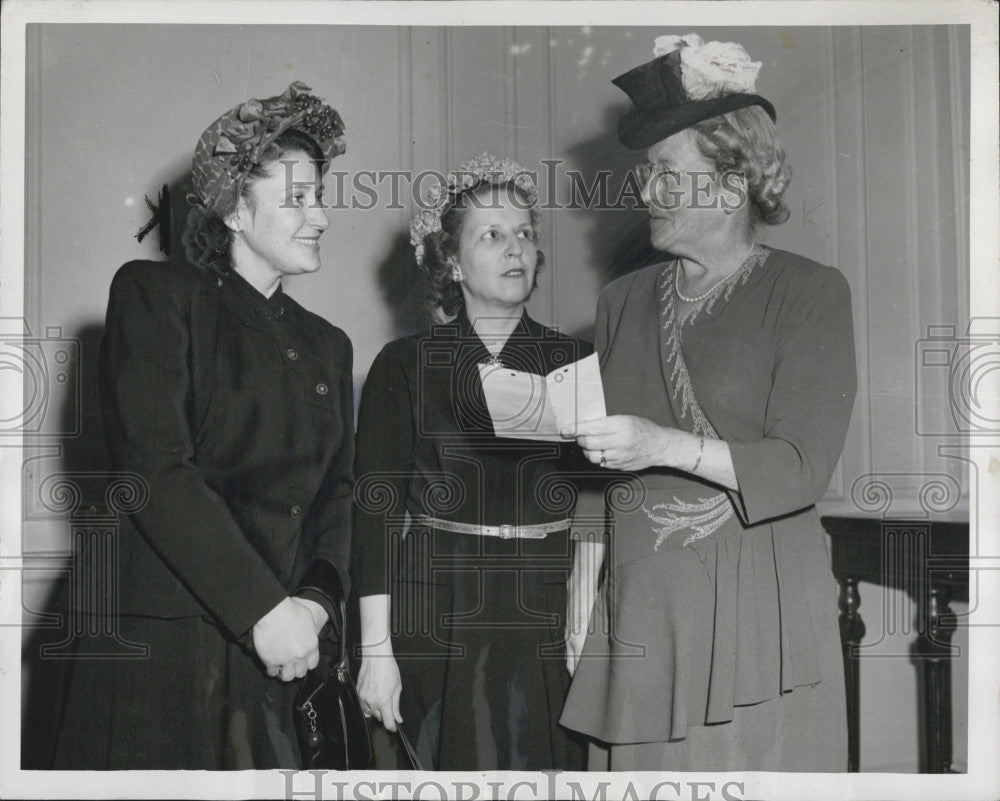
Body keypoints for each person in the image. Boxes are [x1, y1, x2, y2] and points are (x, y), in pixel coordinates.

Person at [559, 34, 856, 772]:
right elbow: (602, 461)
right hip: (645, 613)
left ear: (730, 185)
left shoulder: (809, 293)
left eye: (665, 171)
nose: (644, 189)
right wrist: (582, 581)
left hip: (760, 617)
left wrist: (662, 445)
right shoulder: (620, 301)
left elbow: (799, 467)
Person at [52, 82, 354, 769]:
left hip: (284, 653)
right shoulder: (155, 296)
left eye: (321, 196)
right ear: (236, 211)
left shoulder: (329, 345)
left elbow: (341, 492)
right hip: (166, 652)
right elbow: (154, 469)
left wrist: (311, 604)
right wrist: (263, 610)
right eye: (297, 197)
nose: (321, 217)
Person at [352, 154, 587, 771]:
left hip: (545, 616)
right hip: (435, 614)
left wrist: (587, 609)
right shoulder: (402, 366)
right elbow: (372, 519)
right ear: (451, 262)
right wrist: (375, 652)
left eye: (525, 234)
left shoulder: (577, 361)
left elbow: (600, 503)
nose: (516, 248)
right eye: (492, 234)